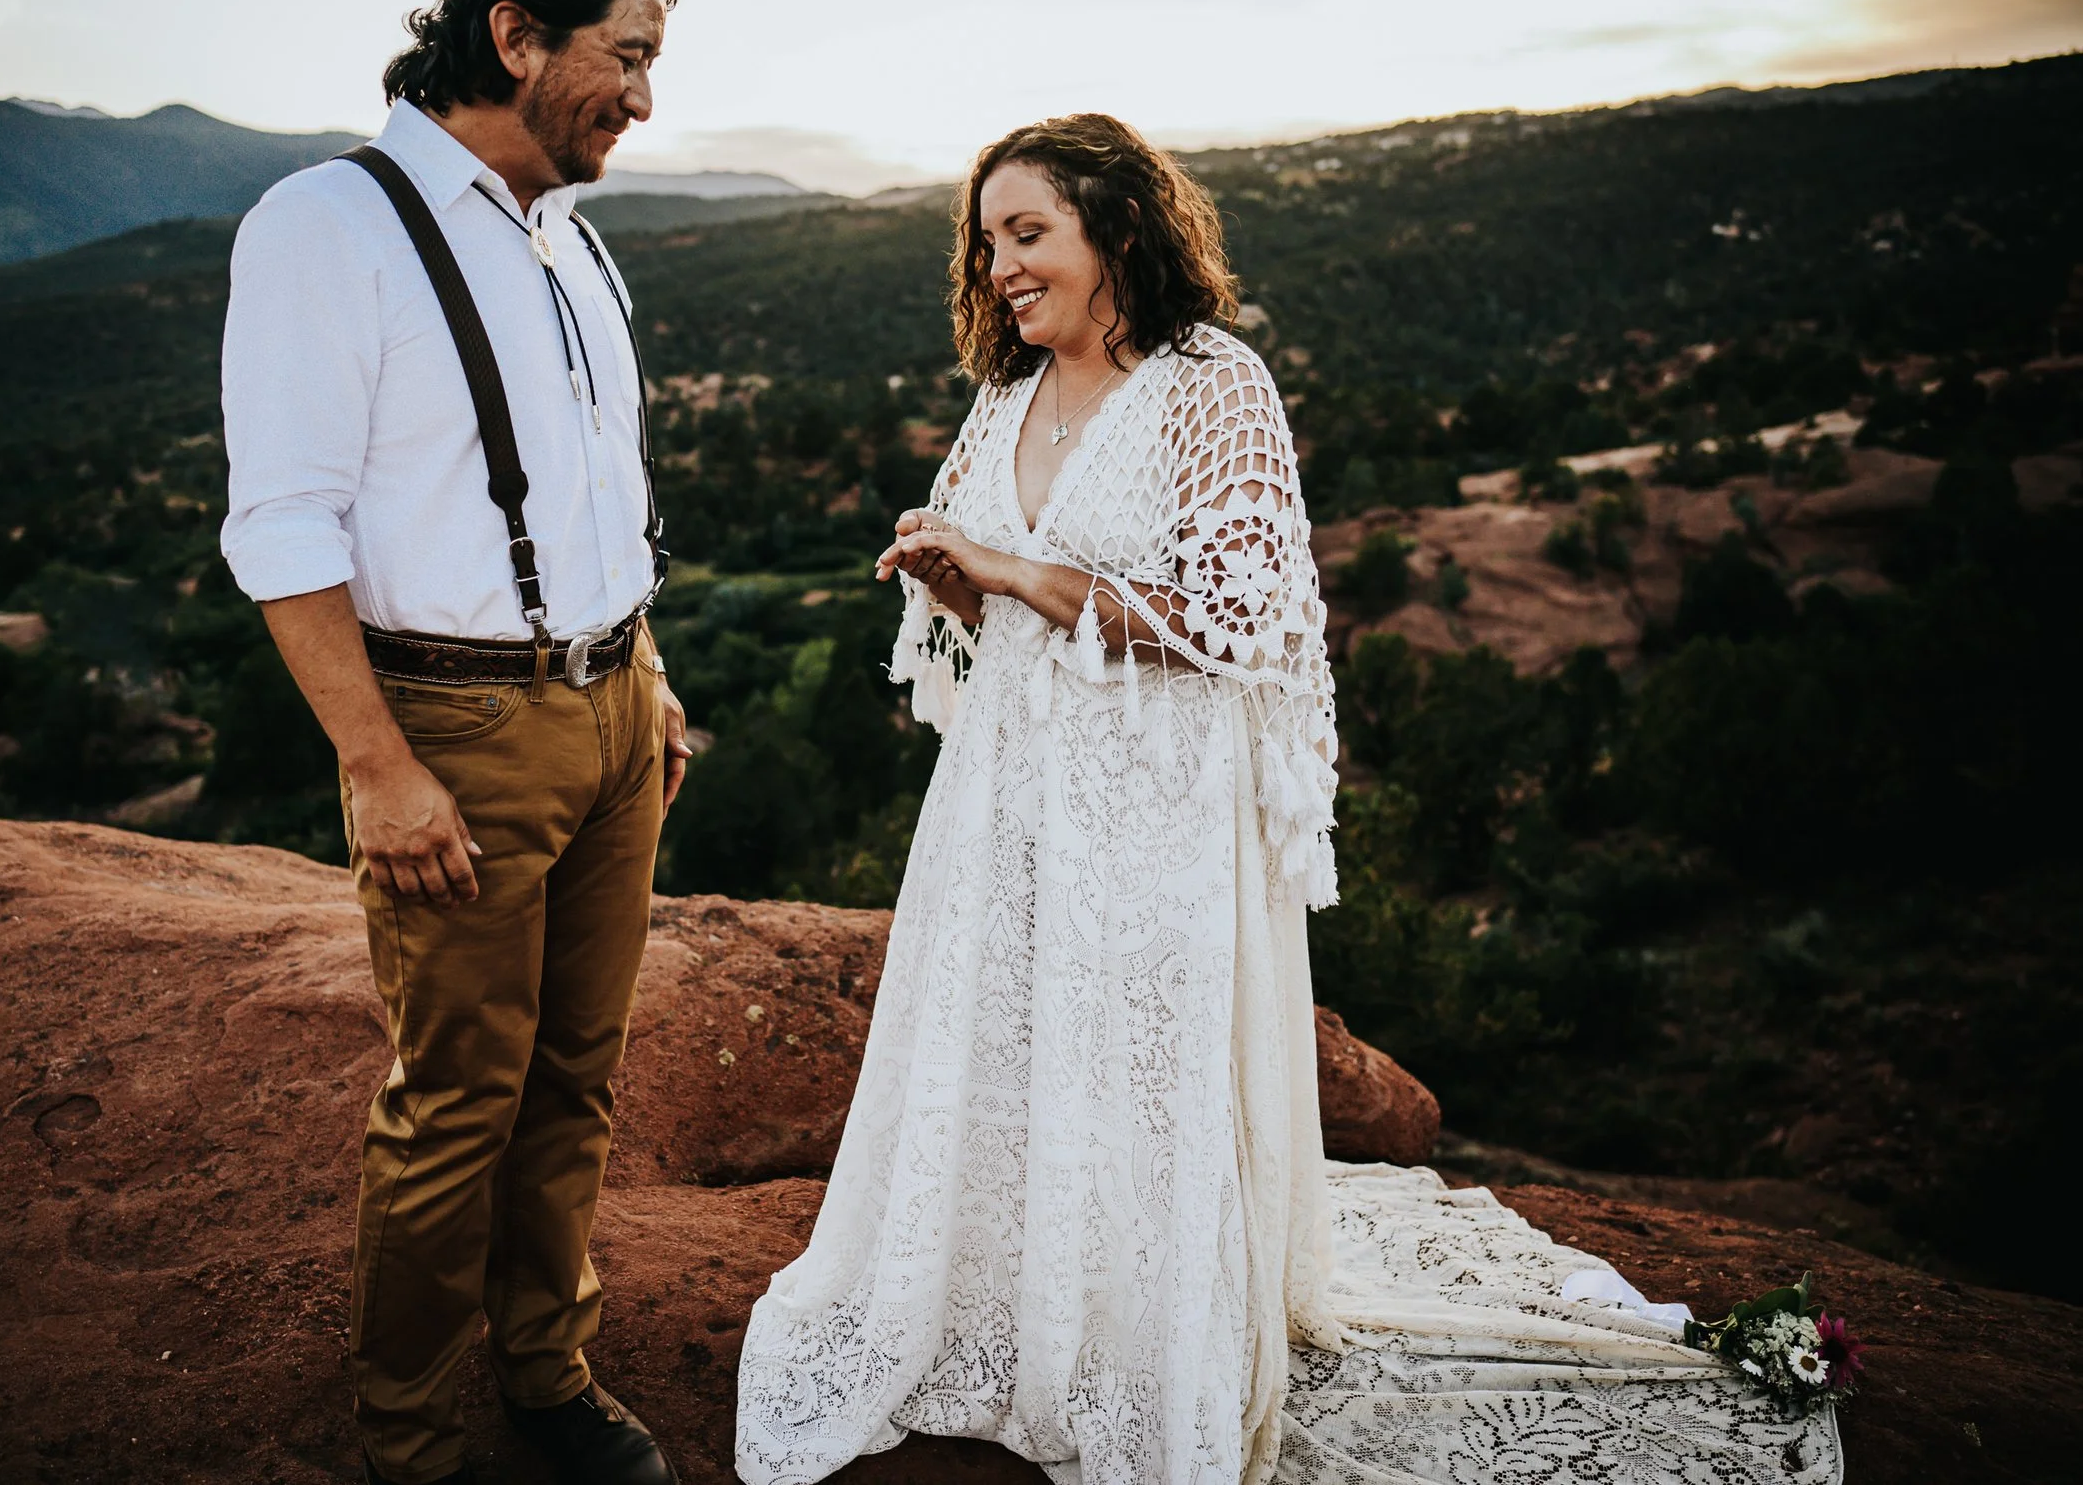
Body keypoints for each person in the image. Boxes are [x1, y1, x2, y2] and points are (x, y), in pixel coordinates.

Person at [733, 116, 1841, 1484]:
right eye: (987, 241)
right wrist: (957, 579)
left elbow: (1234, 618)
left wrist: (1017, 573)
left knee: (1141, 1077)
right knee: (1024, 1056)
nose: (1000, 266)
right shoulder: (1007, 395)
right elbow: (1004, 616)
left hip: (1153, 805)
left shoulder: (1214, 385)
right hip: (1011, 794)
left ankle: (1142, 1353)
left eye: (1028, 233)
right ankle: (1020, 1319)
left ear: (1116, 227)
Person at [219, 0, 692, 1485]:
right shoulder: (330, 227)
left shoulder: (569, 238)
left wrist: (642, 673)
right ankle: (411, 1439)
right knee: (457, 1102)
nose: (644, 99)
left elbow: (593, 490)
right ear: (515, 34)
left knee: (578, 1078)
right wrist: (376, 762)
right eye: (627, 56)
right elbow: (283, 525)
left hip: (615, 712)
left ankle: (546, 1373)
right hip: (458, 730)